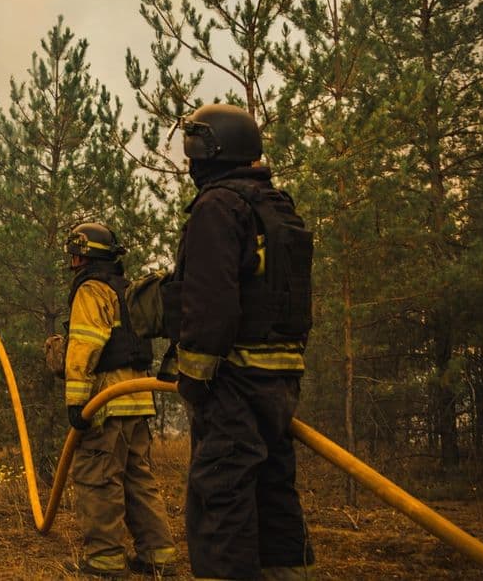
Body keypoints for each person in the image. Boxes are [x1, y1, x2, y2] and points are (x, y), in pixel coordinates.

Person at [163, 103, 315, 579]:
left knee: (222, 493)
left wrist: (193, 378)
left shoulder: (218, 206)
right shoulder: (276, 207)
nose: (190, 162)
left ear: (214, 152)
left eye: (194, 150)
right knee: (273, 486)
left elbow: (212, 302)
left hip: (233, 380)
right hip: (279, 379)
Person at [61, 222, 177, 577]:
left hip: (106, 401)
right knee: (137, 479)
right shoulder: (126, 290)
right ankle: (158, 555)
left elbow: (85, 346)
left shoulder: (92, 290)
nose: (72, 262)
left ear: (83, 256)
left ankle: (105, 558)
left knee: (97, 479)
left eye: (75, 255)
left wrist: (76, 401)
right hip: (137, 398)